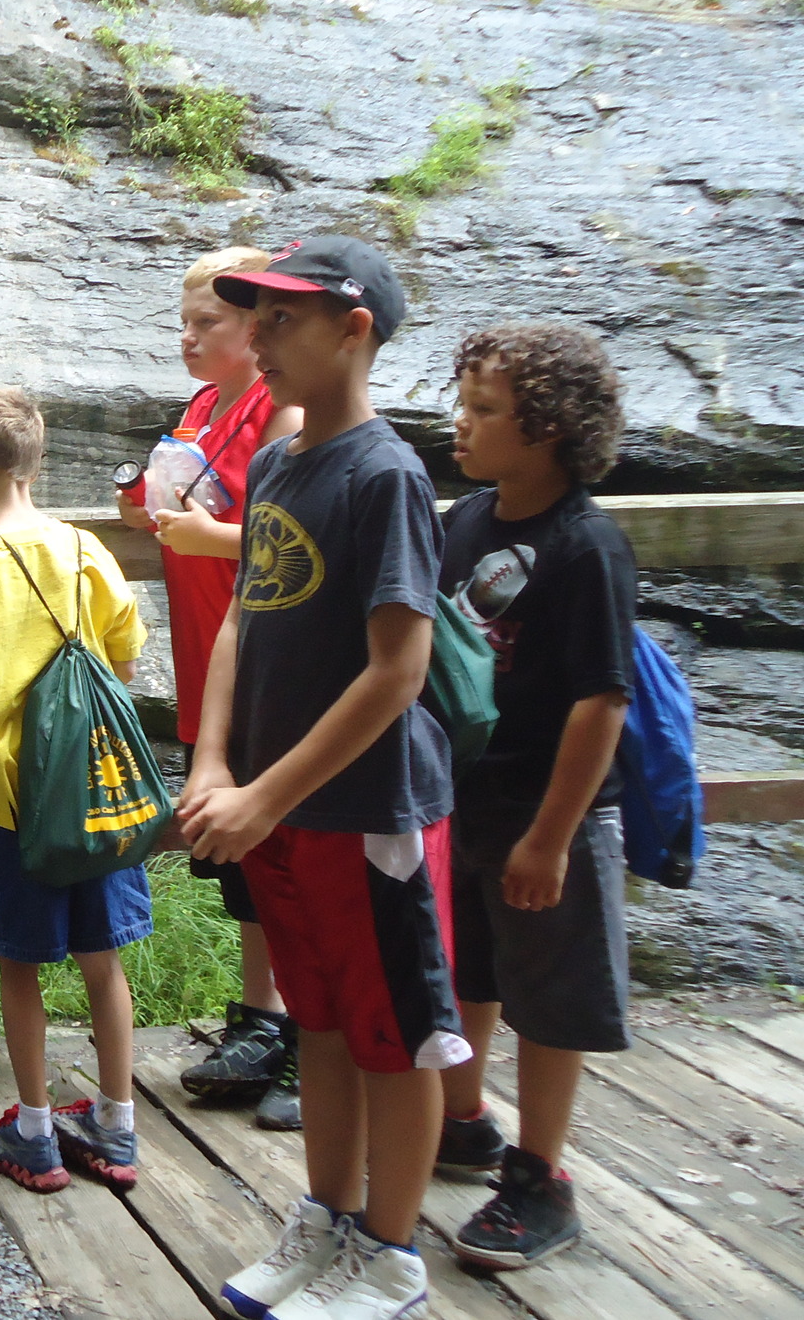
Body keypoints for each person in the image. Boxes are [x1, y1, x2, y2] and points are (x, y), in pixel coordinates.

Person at [182, 237, 468, 1320]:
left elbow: (397, 671)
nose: (255, 338)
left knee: (391, 1036)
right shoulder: (276, 464)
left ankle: (389, 1258)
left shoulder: (386, 474)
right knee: (320, 1022)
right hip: (282, 811)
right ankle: (326, 1224)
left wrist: (265, 795)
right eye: (248, 318)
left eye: (280, 321)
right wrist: (215, 762)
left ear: (353, 332)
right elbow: (244, 626)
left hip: (366, 813)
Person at [434, 323, 635, 1271]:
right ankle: (464, 1120)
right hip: (466, 799)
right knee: (470, 973)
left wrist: (552, 839)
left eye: (483, 410)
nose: (460, 425)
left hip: (548, 812)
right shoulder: (467, 521)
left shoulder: (584, 546)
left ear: (548, 428)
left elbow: (601, 702)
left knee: (549, 1000)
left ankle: (541, 1177)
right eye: (463, 402)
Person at [0, 387, 150, 1195]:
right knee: (104, 960)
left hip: (17, 799)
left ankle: (32, 1132)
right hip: (96, 789)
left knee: (21, 962)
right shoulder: (85, 546)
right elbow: (125, 652)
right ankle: (117, 1128)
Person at [118, 246, 306, 1132]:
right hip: (208, 665)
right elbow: (192, 498)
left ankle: (316, 1034)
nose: (188, 338)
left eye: (208, 325)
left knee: (296, 854)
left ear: (258, 329)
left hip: (272, 659)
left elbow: (291, 536)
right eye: (184, 322)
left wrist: (205, 536)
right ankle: (264, 1019)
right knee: (241, 864)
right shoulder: (202, 405)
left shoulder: (281, 407)